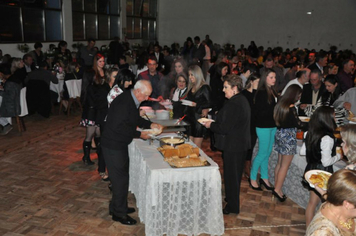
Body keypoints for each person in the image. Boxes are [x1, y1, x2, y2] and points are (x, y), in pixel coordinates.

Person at [101, 80, 163, 225]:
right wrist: (140, 134)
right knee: (119, 180)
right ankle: (119, 214)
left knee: (121, 178)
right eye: (146, 95)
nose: (147, 98)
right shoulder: (124, 102)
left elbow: (134, 119)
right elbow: (119, 127)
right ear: (138, 91)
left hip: (118, 144)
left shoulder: (131, 99)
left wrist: (150, 124)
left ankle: (117, 207)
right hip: (113, 145)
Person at [203, 74, 250, 215]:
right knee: (233, 176)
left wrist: (210, 125)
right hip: (238, 144)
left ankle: (233, 206)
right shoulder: (240, 100)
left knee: (232, 177)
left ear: (235, 88)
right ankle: (230, 199)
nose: (223, 90)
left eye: (226, 87)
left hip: (234, 145)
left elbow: (224, 128)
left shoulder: (235, 103)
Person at [300, 106, 342, 227]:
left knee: (312, 203)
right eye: (333, 116)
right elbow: (326, 162)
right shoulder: (327, 138)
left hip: (311, 169)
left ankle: (311, 227)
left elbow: (303, 152)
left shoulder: (309, 133)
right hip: (322, 172)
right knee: (318, 203)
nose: (335, 118)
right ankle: (312, 229)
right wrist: (338, 156)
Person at [273, 84, 305, 202]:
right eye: (299, 95)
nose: (299, 98)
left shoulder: (281, 104)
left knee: (279, 163)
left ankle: (277, 187)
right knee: (284, 166)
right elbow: (299, 124)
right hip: (288, 137)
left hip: (280, 134)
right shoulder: (291, 108)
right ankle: (277, 189)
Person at [250, 69, 277, 191]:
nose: (274, 80)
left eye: (274, 77)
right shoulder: (261, 92)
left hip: (272, 125)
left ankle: (264, 177)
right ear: (265, 78)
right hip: (263, 126)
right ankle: (252, 177)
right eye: (271, 77)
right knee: (262, 153)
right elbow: (259, 111)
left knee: (267, 153)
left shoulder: (272, 90)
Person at [306, 169, 356, 235]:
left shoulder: (336, 204)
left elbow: (334, 197)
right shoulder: (323, 232)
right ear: (348, 204)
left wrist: (323, 193)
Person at [80, 53, 105, 166]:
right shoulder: (91, 73)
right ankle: (86, 157)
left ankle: (100, 154)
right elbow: (87, 91)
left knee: (99, 133)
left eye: (103, 61)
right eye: (100, 61)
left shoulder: (104, 72)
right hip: (91, 108)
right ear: (96, 62)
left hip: (100, 107)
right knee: (90, 134)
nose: (102, 63)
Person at [185, 65, 212, 148]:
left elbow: (210, 103)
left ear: (197, 74)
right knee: (189, 145)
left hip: (198, 120)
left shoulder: (205, 87)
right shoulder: (191, 87)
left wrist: (196, 105)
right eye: (189, 75)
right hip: (190, 118)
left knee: (196, 147)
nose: (190, 77)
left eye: (192, 75)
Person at [241, 74, 260, 179]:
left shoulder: (258, 94)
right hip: (245, 124)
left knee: (251, 145)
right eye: (257, 82)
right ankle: (244, 166)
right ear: (251, 81)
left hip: (254, 124)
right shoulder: (243, 94)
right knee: (244, 145)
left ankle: (247, 166)